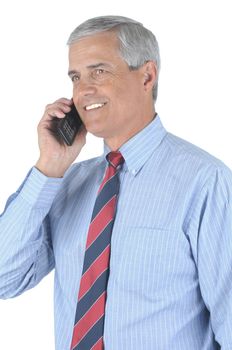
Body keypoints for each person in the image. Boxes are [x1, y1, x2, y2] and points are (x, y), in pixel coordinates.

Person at [0, 15, 232, 350]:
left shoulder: (206, 183)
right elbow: (5, 278)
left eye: (99, 72)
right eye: (76, 77)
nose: (83, 91)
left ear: (147, 76)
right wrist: (48, 168)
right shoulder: (68, 184)